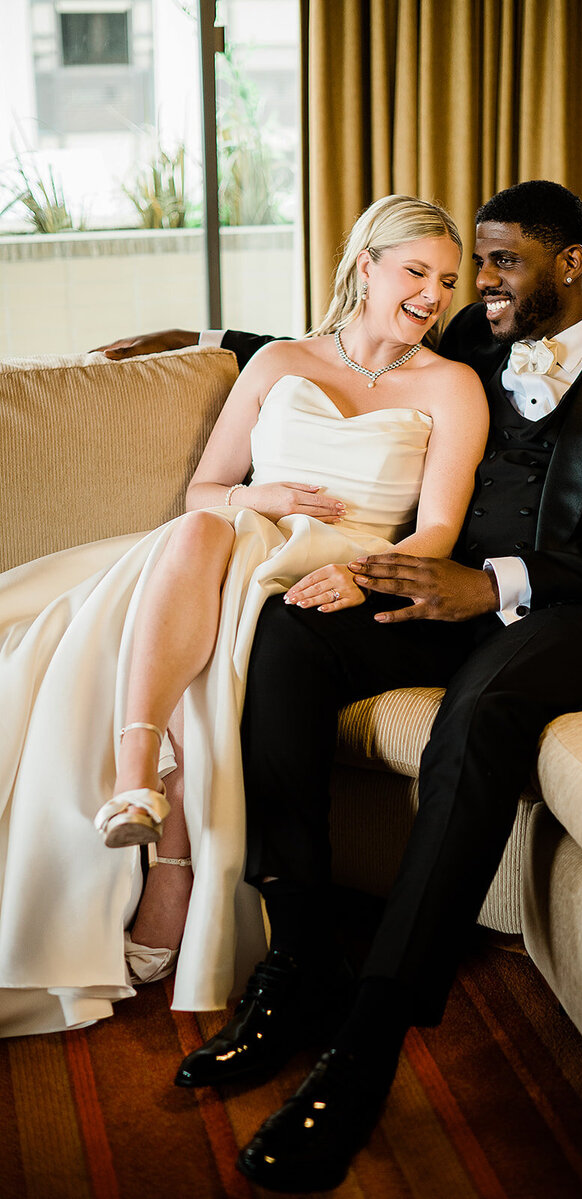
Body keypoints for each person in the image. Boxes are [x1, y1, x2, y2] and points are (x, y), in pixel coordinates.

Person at [100, 180, 582, 1193]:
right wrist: (202, 331)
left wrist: (486, 584)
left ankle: (366, 1039)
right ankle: (299, 957)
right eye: (467, 264)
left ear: (568, 263)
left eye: (498, 263)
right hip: (454, 589)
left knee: (479, 717)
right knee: (290, 631)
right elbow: (336, 344)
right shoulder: (475, 344)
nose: (474, 284)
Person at [0, 195, 488, 1038]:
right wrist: (255, 495)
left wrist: (362, 571)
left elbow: (438, 530)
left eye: (445, 281)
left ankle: (173, 872)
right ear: (365, 265)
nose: (432, 295)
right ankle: (135, 779)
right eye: (415, 272)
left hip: (327, 570)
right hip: (230, 544)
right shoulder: (278, 364)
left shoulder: (453, 385)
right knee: (197, 531)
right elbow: (207, 491)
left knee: (237, 622)